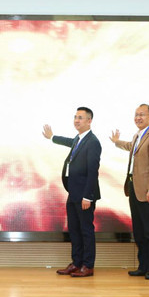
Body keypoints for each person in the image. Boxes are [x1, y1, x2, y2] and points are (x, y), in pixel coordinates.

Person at [43, 107, 101, 278]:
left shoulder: (93, 142)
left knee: (86, 231)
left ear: (89, 121)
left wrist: (88, 196)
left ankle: (88, 266)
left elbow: (93, 172)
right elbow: (68, 141)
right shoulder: (79, 138)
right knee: (74, 230)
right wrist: (52, 137)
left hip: (84, 196)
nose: (76, 120)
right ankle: (76, 263)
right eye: (75, 117)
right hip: (74, 193)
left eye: (80, 118)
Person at [110, 104, 149, 280]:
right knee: (139, 231)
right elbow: (130, 146)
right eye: (136, 114)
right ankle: (143, 266)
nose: (138, 117)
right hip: (134, 188)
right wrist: (117, 142)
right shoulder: (137, 135)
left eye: (142, 114)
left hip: (148, 191)